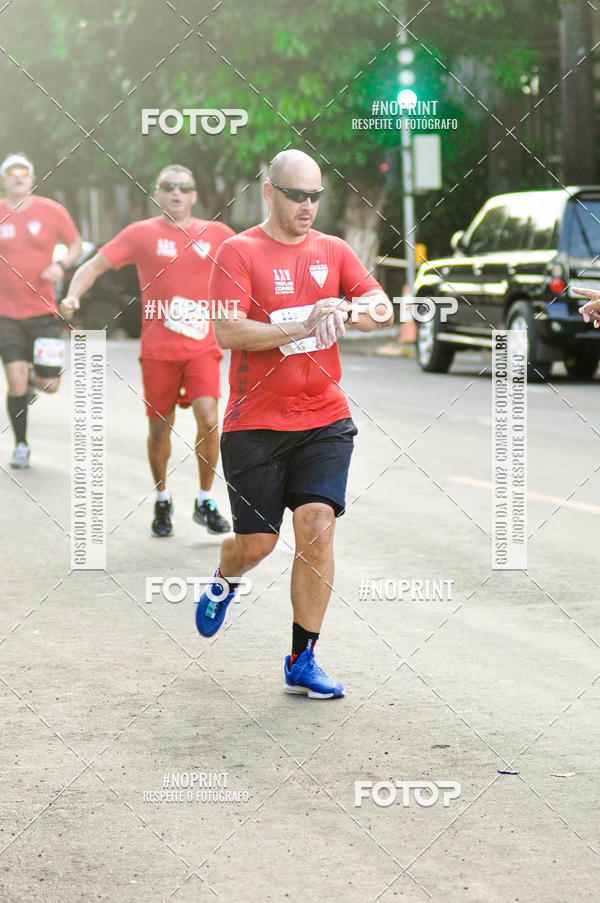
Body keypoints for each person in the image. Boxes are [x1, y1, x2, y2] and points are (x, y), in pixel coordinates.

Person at [195, 148, 393, 699]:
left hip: (324, 418)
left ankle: (302, 659)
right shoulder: (239, 251)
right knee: (256, 545)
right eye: (296, 195)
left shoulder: (333, 250)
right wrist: (302, 324)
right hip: (255, 423)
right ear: (270, 192)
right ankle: (225, 576)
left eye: (315, 196)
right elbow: (227, 332)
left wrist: (348, 310)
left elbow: (382, 307)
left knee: (317, 526)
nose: (307, 206)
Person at [61, 164, 233, 538]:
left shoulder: (217, 233)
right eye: (168, 187)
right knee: (159, 429)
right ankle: (162, 499)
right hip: (158, 350)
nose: (176, 193)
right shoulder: (141, 234)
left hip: (201, 346)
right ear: (157, 194)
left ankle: (205, 500)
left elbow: (252, 263)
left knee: (209, 419)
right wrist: (73, 295)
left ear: (194, 195)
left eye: (184, 187)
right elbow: (94, 266)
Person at [0, 153, 82, 468]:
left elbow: (75, 245)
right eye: (11, 173)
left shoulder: (52, 211)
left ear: (32, 178)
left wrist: (61, 265)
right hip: (6, 314)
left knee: (50, 385)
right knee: (15, 380)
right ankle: (21, 445)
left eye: (23, 172)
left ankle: (34, 381)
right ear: (4, 179)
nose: (18, 177)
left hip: (44, 312)